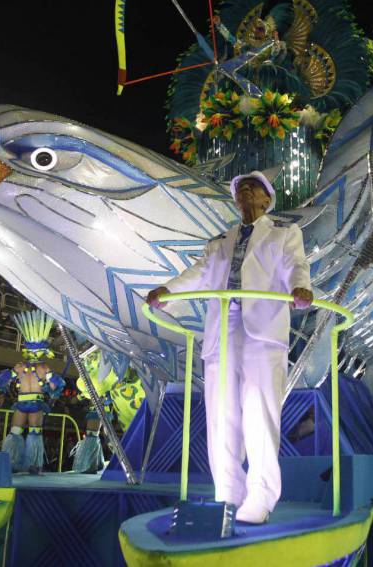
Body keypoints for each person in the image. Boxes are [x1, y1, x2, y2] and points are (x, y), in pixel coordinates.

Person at [146, 170, 312, 525]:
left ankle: (261, 496)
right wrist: (168, 293)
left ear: (267, 199)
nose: (244, 194)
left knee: (259, 412)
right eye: (239, 190)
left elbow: (295, 265)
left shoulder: (284, 233)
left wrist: (300, 288)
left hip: (263, 328)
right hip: (224, 328)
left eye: (252, 189)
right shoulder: (220, 240)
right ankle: (227, 493)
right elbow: (200, 272)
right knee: (221, 414)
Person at [0, 310, 65, 474]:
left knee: (15, 432)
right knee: (34, 433)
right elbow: (55, 387)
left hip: (21, 403)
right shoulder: (44, 368)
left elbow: (2, 381)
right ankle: (33, 465)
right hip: (36, 404)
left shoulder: (19, 367)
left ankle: (11, 462)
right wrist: (51, 392)